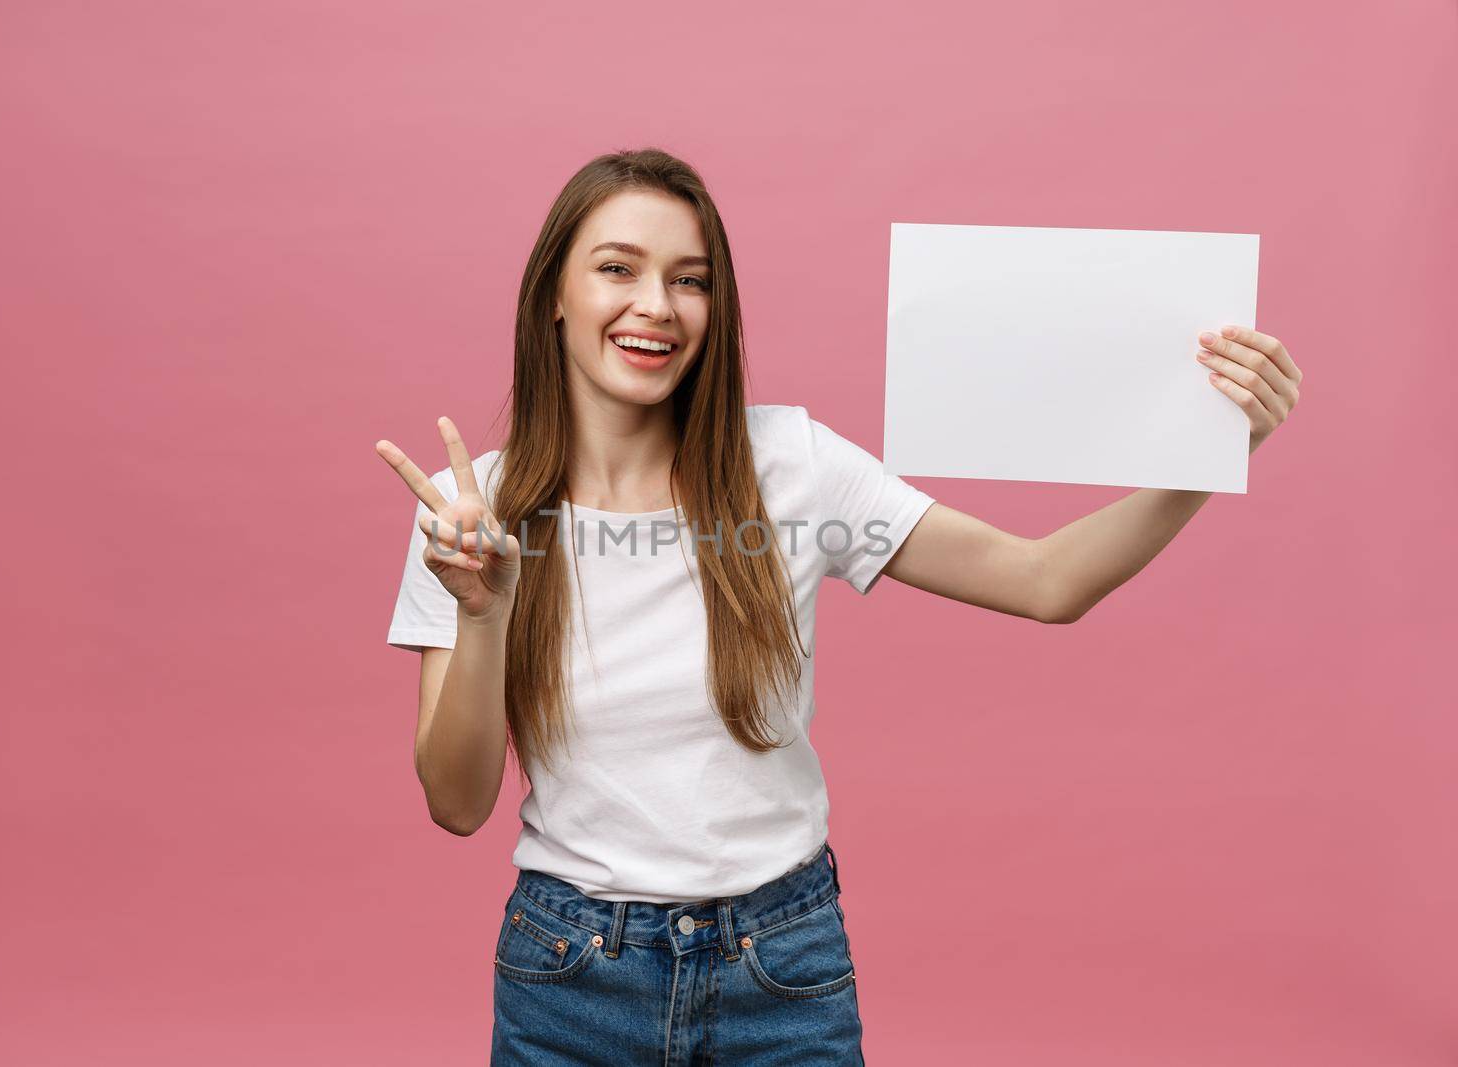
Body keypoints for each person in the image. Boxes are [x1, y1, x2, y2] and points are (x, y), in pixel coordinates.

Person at [374, 149, 1301, 1065]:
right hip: (570, 979)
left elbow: (1046, 580)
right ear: (555, 296)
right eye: (618, 267)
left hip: (779, 969)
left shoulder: (793, 463)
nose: (656, 304)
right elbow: (457, 804)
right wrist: (485, 611)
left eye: (689, 280)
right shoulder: (470, 516)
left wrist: (1210, 450)